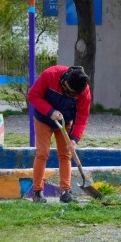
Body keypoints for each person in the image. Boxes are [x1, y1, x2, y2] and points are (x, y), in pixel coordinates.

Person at [27, 65, 92, 203]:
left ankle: (65, 192)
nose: (70, 94)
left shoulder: (84, 90)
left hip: (65, 121)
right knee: (42, 153)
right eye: (68, 91)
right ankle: (37, 192)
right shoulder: (51, 74)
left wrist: (74, 139)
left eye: (73, 94)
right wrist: (50, 111)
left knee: (65, 155)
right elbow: (33, 95)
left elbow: (82, 116)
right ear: (65, 81)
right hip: (43, 119)